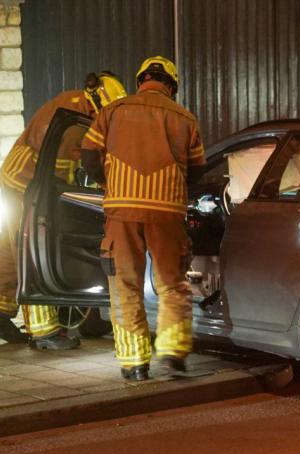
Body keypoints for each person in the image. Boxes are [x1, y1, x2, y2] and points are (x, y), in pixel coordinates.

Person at [80, 56, 206, 381]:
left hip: (122, 210)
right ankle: (173, 352)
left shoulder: (112, 111)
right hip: (167, 211)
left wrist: (110, 184)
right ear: (172, 86)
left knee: (125, 285)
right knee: (172, 284)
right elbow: (198, 170)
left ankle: (135, 363)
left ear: (140, 81)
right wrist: (175, 190)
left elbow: (88, 154)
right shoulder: (186, 118)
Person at [0, 72, 127, 350]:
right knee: (32, 250)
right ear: (95, 101)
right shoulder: (73, 116)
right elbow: (67, 167)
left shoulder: (78, 108)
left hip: (20, 179)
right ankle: (44, 331)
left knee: (12, 250)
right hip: (28, 184)